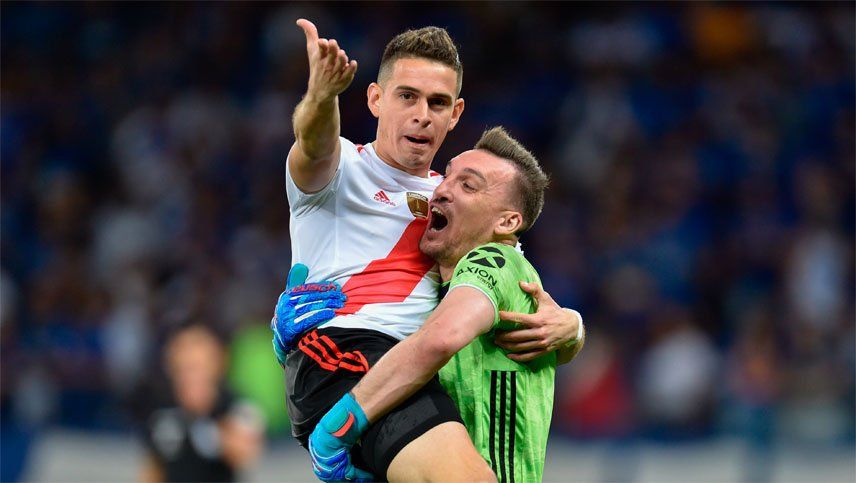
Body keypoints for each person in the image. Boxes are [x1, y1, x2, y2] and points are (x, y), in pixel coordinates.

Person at [276, 19, 582, 481]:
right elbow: (313, 141)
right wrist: (321, 96)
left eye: (437, 102)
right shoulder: (340, 170)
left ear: (455, 114)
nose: (422, 114)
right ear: (375, 99)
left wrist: (572, 327)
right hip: (351, 356)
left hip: (411, 372)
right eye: (407, 96)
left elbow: (513, 286)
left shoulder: (457, 199)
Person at [310, 127, 584, 483]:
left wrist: (337, 428)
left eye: (468, 186)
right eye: (448, 176)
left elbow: (439, 339)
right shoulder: (437, 293)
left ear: (507, 222)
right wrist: (303, 342)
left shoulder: (496, 262)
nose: (441, 189)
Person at [140, 323, 264, 483]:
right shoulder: (162, 407)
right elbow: (153, 465)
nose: (192, 376)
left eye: (197, 367)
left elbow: (245, 451)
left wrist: (211, 430)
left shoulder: (233, 405)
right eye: (184, 368)